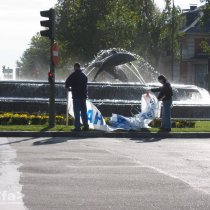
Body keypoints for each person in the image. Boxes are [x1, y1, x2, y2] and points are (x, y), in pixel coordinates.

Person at [65, 63, 89, 131]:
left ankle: (77, 127)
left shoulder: (73, 75)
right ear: (79, 67)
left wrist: (69, 88)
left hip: (76, 96)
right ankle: (86, 126)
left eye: (74, 67)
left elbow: (67, 83)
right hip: (83, 96)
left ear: (75, 67)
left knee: (77, 112)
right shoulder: (84, 76)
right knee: (84, 112)